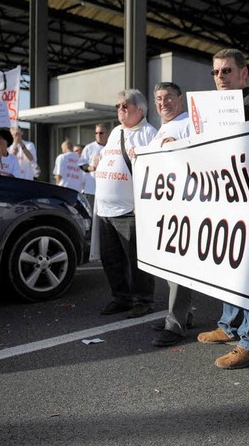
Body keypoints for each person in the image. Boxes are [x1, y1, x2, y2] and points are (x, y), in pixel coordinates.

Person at [194, 49, 249, 369]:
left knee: (248, 272)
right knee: (228, 267)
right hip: (225, 201)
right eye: (216, 73)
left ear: (243, 74)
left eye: (226, 71)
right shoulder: (213, 111)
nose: (220, 78)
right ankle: (229, 326)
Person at [95, 89, 157, 318]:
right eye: (117, 106)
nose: (120, 110)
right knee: (111, 258)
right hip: (105, 210)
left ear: (139, 110)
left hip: (130, 210)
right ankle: (121, 297)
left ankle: (144, 300)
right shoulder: (116, 132)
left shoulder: (149, 134)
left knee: (136, 260)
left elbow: (156, 173)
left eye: (125, 106)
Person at [149, 82, 195, 347]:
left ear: (180, 98)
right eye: (158, 98)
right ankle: (182, 315)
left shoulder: (188, 123)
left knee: (178, 267)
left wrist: (182, 145)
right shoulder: (162, 128)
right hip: (165, 206)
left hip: (183, 206)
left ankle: (175, 324)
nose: (163, 103)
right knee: (170, 267)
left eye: (168, 97)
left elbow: (202, 153)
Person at [79, 124, 109, 212]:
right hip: (92, 189)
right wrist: (91, 168)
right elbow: (82, 164)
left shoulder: (111, 146)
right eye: (96, 133)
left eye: (101, 133)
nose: (98, 135)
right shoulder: (90, 148)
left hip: (107, 188)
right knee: (92, 214)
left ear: (107, 134)